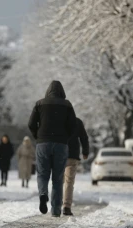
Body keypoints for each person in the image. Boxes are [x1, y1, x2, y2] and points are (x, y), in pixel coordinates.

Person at [28, 80, 76, 217]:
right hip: (60, 144)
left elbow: (31, 123)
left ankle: (43, 194)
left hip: (43, 143)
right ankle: (55, 210)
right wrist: (65, 138)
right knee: (58, 177)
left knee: (42, 174)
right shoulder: (67, 105)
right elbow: (73, 125)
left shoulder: (39, 103)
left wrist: (38, 136)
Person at [63, 117, 89, 216]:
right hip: (72, 155)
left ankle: (56, 205)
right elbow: (84, 137)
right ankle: (66, 206)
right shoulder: (77, 122)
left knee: (58, 181)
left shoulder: (57, 120)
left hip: (58, 154)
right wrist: (85, 152)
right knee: (69, 182)